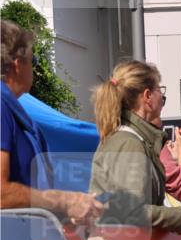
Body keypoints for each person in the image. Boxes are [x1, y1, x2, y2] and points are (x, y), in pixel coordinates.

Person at [90, 60, 181, 237]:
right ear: (147, 97)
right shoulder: (129, 143)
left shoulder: (132, 140)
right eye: (160, 93)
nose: (162, 101)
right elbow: (130, 214)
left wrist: (180, 224)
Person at [1, 20, 105, 222]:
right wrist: (65, 201)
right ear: (17, 65)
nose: (34, 69)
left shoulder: (14, 110)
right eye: (33, 61)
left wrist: (66, 211)